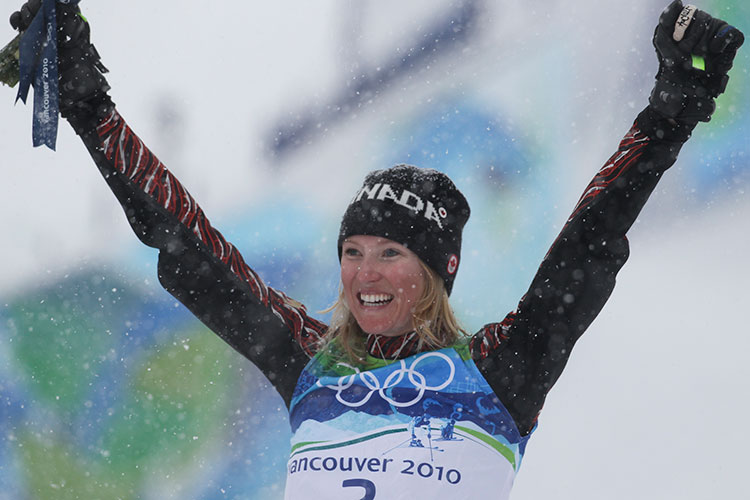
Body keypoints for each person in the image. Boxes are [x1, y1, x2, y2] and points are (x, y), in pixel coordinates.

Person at [8, 1, 744, 498]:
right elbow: (187, 247)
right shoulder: (311, 363)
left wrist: (672, 112)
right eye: (352, 249)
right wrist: (89, 107)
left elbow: (592, 238)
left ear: (441, 270)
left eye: (391, 252)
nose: (364, 272)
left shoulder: (499, 372)